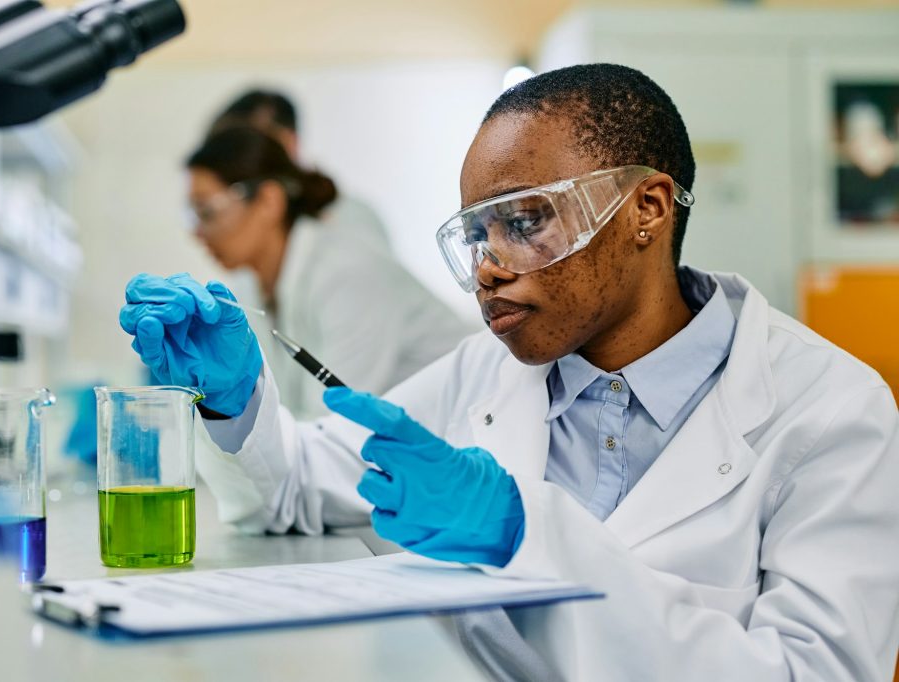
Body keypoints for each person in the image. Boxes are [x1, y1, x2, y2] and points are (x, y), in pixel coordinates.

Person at [120, 65, 899, 680]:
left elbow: (809, 673)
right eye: (477, 236)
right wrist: (232, 402)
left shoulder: (831, 414)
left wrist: (525, 534)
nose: (489, 268)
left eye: (525, 222)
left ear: (648, 210)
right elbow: (296, 486)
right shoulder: (483, 373)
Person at [178, 126, 472, 420]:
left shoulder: (347, 273)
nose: (197, 232)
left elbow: (330, 424)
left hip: (470, 426)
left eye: (207, 211)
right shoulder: (250, 285)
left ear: (269, 200)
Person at [208, 89, 392, 253]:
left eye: (247, 147)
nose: (234, 166)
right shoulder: (243, 234)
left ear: (289, 142)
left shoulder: (350, 220)